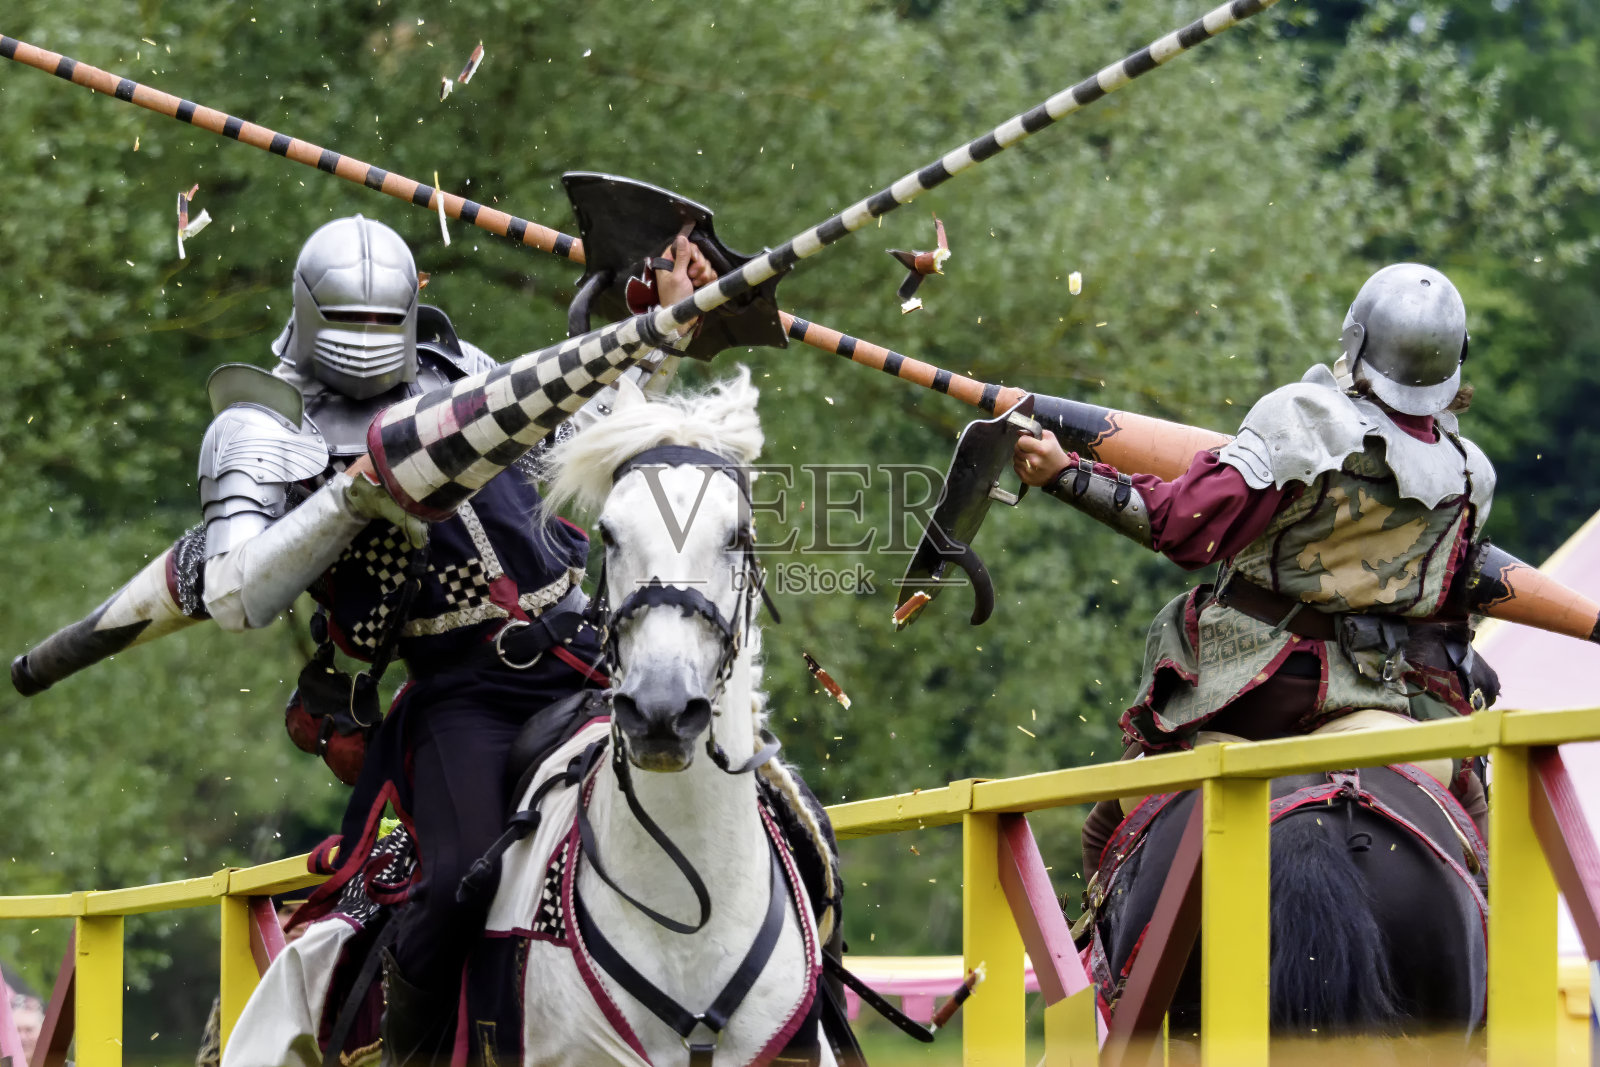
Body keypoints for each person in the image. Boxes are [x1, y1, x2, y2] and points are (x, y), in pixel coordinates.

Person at [192, 215, 714, 1059]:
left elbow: (585, 436)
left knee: (733, 789)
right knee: (459, 878)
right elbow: (236, 591)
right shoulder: (264, 430)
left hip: (589, 659)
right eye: (346, 322)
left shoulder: (463, 372)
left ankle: (800, 1013)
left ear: (410, 309)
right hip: (464, 696)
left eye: (378, 321)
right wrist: (350, 496)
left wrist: (659, 331)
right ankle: (413, 1054)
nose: (365, 343)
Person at [1013, 263, 1495, 879]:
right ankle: (1497, 965)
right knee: (1467, 805)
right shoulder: (1469, 475)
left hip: (1245, 690)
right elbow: (1441, 601)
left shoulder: (1306, 418)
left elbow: (1185, 527)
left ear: (1356, 341)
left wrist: (1064, 474)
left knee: (1110, 829)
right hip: (1369, 695)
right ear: (1452, 363)